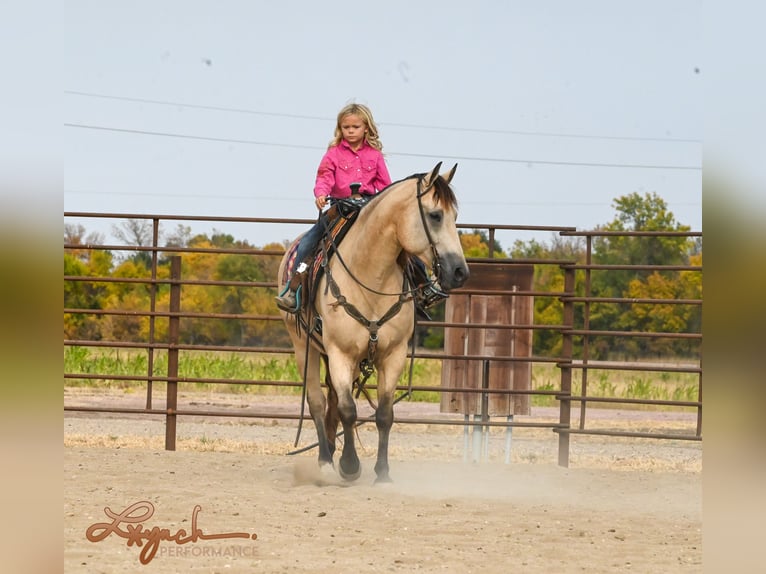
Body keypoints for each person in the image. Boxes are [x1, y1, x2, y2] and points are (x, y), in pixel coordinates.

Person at [276, 103, 392, 312]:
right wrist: (321, 193)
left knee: (396, 238)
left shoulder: (375, 156)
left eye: (355, 127)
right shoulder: (333, 154)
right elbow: (324, 177)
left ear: (366, 127)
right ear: (340, 128)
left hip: (368, 208)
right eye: (346, 127)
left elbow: (385, 186)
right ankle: (295, 287)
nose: (350, 131)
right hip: (340, 207)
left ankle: (421, 285)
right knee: (309, 241)